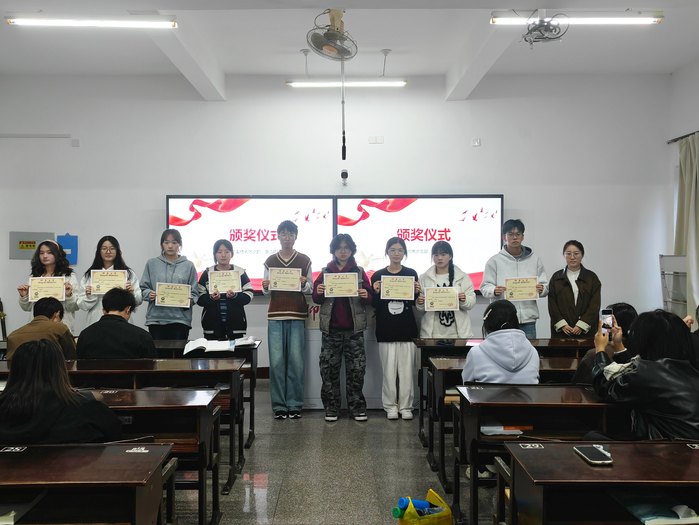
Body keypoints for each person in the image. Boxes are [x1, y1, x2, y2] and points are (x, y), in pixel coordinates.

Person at [591, 310, 699, 440]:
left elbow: (606, 387)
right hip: (686, 446)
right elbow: (636, 375)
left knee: (592, 437)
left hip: (666, 448)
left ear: (647, 341)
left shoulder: (650, 374)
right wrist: (619, 347)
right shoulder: (688, 369)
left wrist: (600, 349)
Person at [0, 339, 122, 444]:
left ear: (14, 371)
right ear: (60, 369)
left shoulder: (5, 410)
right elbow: (115, 435)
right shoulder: (87, 409)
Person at [312, 234, 373, 422]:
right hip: (331, 330)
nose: (343, 251)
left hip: (354, 331)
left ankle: (357, 408)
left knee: (356, 371)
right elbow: (316, 298)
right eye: (339, 248)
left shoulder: (359, 271)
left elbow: (370, 297)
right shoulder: (326, 271)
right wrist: (319, 291)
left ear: (352, 250)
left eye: (347, 247)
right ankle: (331, 408)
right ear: (334, 250)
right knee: (329, 371)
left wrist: (365, 295)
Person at [261, 221, 312, 420]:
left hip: (297, 314)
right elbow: (266, 291)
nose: (287, 238)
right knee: (276, 363)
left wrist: (304, 284)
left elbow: (310, 289)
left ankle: (295, 404)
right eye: (283, 234)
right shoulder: (270, 261)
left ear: (295, 236)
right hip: (275, 315)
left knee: (296, 362)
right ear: (278, 236)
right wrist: (266, 286)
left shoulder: (304, 260)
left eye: (290, 234)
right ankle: (279, 406)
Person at [371, 237, 420, 420]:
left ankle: (406, 407)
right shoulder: (378, 275)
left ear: (404, 252)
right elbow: (374, 304)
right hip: (386, 329)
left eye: (400, 250)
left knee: (407, 372)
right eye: (392, 250)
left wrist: (417, 292)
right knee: (389, 372)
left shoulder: (411, 273)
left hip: (407, 329)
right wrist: (376, 292)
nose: (396, 253)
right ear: (387, 252)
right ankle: (390, 406)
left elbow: (415, 303)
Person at [480, 219, 548, 339]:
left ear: (523, 237)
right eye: (510, 234)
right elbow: (485, 287)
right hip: (503, 318)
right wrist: (494, 290)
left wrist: (542, 289)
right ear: (504, 237)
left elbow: (545, 286)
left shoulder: (534, 259)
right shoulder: (494, 261)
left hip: (528, 319)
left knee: (527, 349)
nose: (514, 237)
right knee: (503, 350)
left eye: (518, 234)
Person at [140, 229, 199, 340]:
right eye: (166, 242)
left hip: (180, 320)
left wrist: (189, 299)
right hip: (156, 319)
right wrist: (149, 294)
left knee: (178, 351)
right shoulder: (152, 263)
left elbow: (195, 293)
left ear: (179, 245)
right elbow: (143, 288)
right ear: (161, 245)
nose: (170, 246)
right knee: (157, 351)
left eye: (174, 242)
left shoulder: (188, 265)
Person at [462, 300, 539, 384]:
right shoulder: (533, 352)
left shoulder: (475, 353)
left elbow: (466, 384)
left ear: (488, 323)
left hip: (488, 393)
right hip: (526, 393)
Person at [77, 235, 142, 328]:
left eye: (112, 248)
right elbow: (82, 305)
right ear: (99, 251)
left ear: (117, 251)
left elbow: (138, 301)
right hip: (96, 320)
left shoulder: (128, 274)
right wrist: (89, 296)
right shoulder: (90, 275)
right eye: (104, 248)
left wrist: (131, 293)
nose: (108, 252)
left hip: (122, 321)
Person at [416, 241, 476, 338]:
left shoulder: (462, 277)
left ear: (450, 256)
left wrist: (464, 300)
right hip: (432, 334)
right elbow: (420, 308)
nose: (439, 258)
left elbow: (471, 303)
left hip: (458, 334)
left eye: (443, 254)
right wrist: (420, 303)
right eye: (436, 255)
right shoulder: (424, 278)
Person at [17, 240, 80, 333]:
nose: (45, 256)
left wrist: (69, 295)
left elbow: (74, 306)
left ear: (57, 254)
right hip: (37, 327)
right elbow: (27, 308)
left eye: (49, 252)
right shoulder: (35, 277)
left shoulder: (68, 276)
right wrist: (24, 296)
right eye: (41, 253)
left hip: (61, 327)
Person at [197, 239, 254, 341]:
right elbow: (199, 297)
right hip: (212, 325)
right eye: (219, 252)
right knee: (214, 351)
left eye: (227, 251)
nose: (223, 255)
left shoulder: (239, 272)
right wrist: (211, 298)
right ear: (215, 254)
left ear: (232, 254)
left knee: (235, 351)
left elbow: (248, 295)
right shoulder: (207, 273)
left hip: (236, 325)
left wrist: (235, 296)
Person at [77, 288, 156, 359]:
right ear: (128, 309)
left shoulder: (85, 335)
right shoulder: (142, 336)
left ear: (103, 310)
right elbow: (152, 366)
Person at [571, 302, 638, 384]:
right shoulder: (642, 353)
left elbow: (577, 385)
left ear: (609, 324)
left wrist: (599, 349)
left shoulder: (593, 354)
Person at [547, 240, 601, 337]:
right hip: (563, 332)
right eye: (568, 254)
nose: (572, 257)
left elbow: (595, 305)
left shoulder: (591, 278)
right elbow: (552, 304)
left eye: (576, 253)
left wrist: (582, 325)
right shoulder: (556, 277)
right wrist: (562, 324)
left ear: (582, 255)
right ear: (564, 255)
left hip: (586, 332)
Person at [6, 297, 77, 364]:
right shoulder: (60, 328)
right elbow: (71, 357)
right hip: (52, 372)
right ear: (57, 314)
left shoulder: (13, 335)